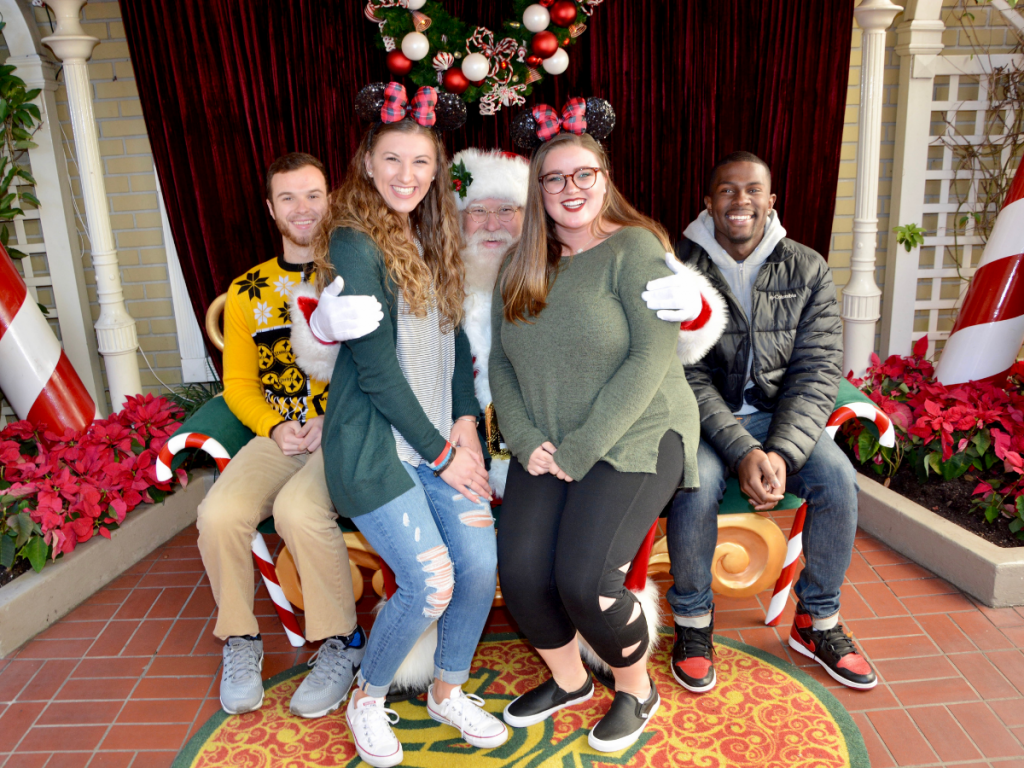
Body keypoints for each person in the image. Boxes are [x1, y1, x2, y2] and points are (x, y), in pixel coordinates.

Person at [488, 125, 706, 753]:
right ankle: (569, 680)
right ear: (540, 191)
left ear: (605, 181)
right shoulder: (520, 263)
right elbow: (502, 362)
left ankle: (636, 688)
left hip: (638, 434)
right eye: (554, 178)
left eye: (584, 174)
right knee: (524, 575)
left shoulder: (636, 248)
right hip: (548, 443)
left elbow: (647, 361)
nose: (570, 188)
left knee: (586, 581)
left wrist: (580, 452)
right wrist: (526, 440)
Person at [310, 84, 508, 768]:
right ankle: (367, 697)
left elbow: (453, 352)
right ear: (366, 162)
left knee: (480, 563)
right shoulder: (353, 239)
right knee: (431, 581)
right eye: (392, 159)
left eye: (420, 162)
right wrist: (440, 454)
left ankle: (446, 690)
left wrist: (464, 434)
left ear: (436, 168)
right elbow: (375, 374)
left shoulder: (433, 231)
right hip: (376, 448)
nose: (406, 175)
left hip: (436, 441)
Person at [665, 151, 877, 693]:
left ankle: (817, 621)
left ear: (771, 200)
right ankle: (693, 624)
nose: (741, 201)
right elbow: (683, 374)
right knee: (698, 481)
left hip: (779, 421)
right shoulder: (677, 269)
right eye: (728, 191)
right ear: (708, 202)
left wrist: (780, 452)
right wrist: (740, 451)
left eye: (753, 190)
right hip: (705, 421)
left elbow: (817, 369)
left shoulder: (807, 267)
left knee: (837, 479)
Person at [196, 152, 384, 717]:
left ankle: (341, 642)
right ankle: (240, 639)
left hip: (345, 432)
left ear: (332, 199)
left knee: (300, 510)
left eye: (313, 195)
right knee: (217, 514)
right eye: (288, 198)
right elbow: (238, 383)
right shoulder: (248, 290)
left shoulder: (357, 274)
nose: (302, 209)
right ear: (271, 210)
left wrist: (334, 422)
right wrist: (274, 428)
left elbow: (385, 367)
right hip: (279, 434)